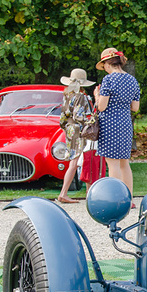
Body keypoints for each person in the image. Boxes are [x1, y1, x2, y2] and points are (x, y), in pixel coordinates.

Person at [94, 47, 141, 202]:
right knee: (124, 163)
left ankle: (115, 198)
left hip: (110, 123)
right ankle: (129, 198)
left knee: (112, 163)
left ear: (107, 64)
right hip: (125, 123)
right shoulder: (132, 80)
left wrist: (96, 96)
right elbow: (135, 107)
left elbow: (102, 106)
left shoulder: (108, 80)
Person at [56, 68, 96, 203]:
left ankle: (65, 192)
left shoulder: (67, 94)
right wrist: (91, 121)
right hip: (78, 129)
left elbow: (63, 116)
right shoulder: (80, 96)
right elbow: (78, 116)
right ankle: (65, 193)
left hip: (69, 128)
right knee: (77, 161)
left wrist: (66, 128)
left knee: (75, 161)